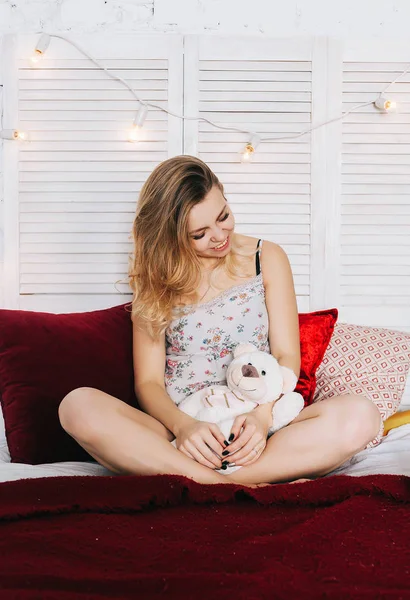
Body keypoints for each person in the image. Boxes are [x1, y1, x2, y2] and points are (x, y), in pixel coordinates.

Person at [58, 155, 382, 486]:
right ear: (170, 237)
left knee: (362, 416)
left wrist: (260, 417)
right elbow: (149, 384)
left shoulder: (266, 257)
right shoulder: (155, 278)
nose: (219, 236)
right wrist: (184, 427)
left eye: (223, 216)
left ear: (224, 196)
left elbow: (286, 357)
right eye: (199, 234)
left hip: (259, 427)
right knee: (76, 406)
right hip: (182, 432)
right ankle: (227, 484)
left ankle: (205, 483)